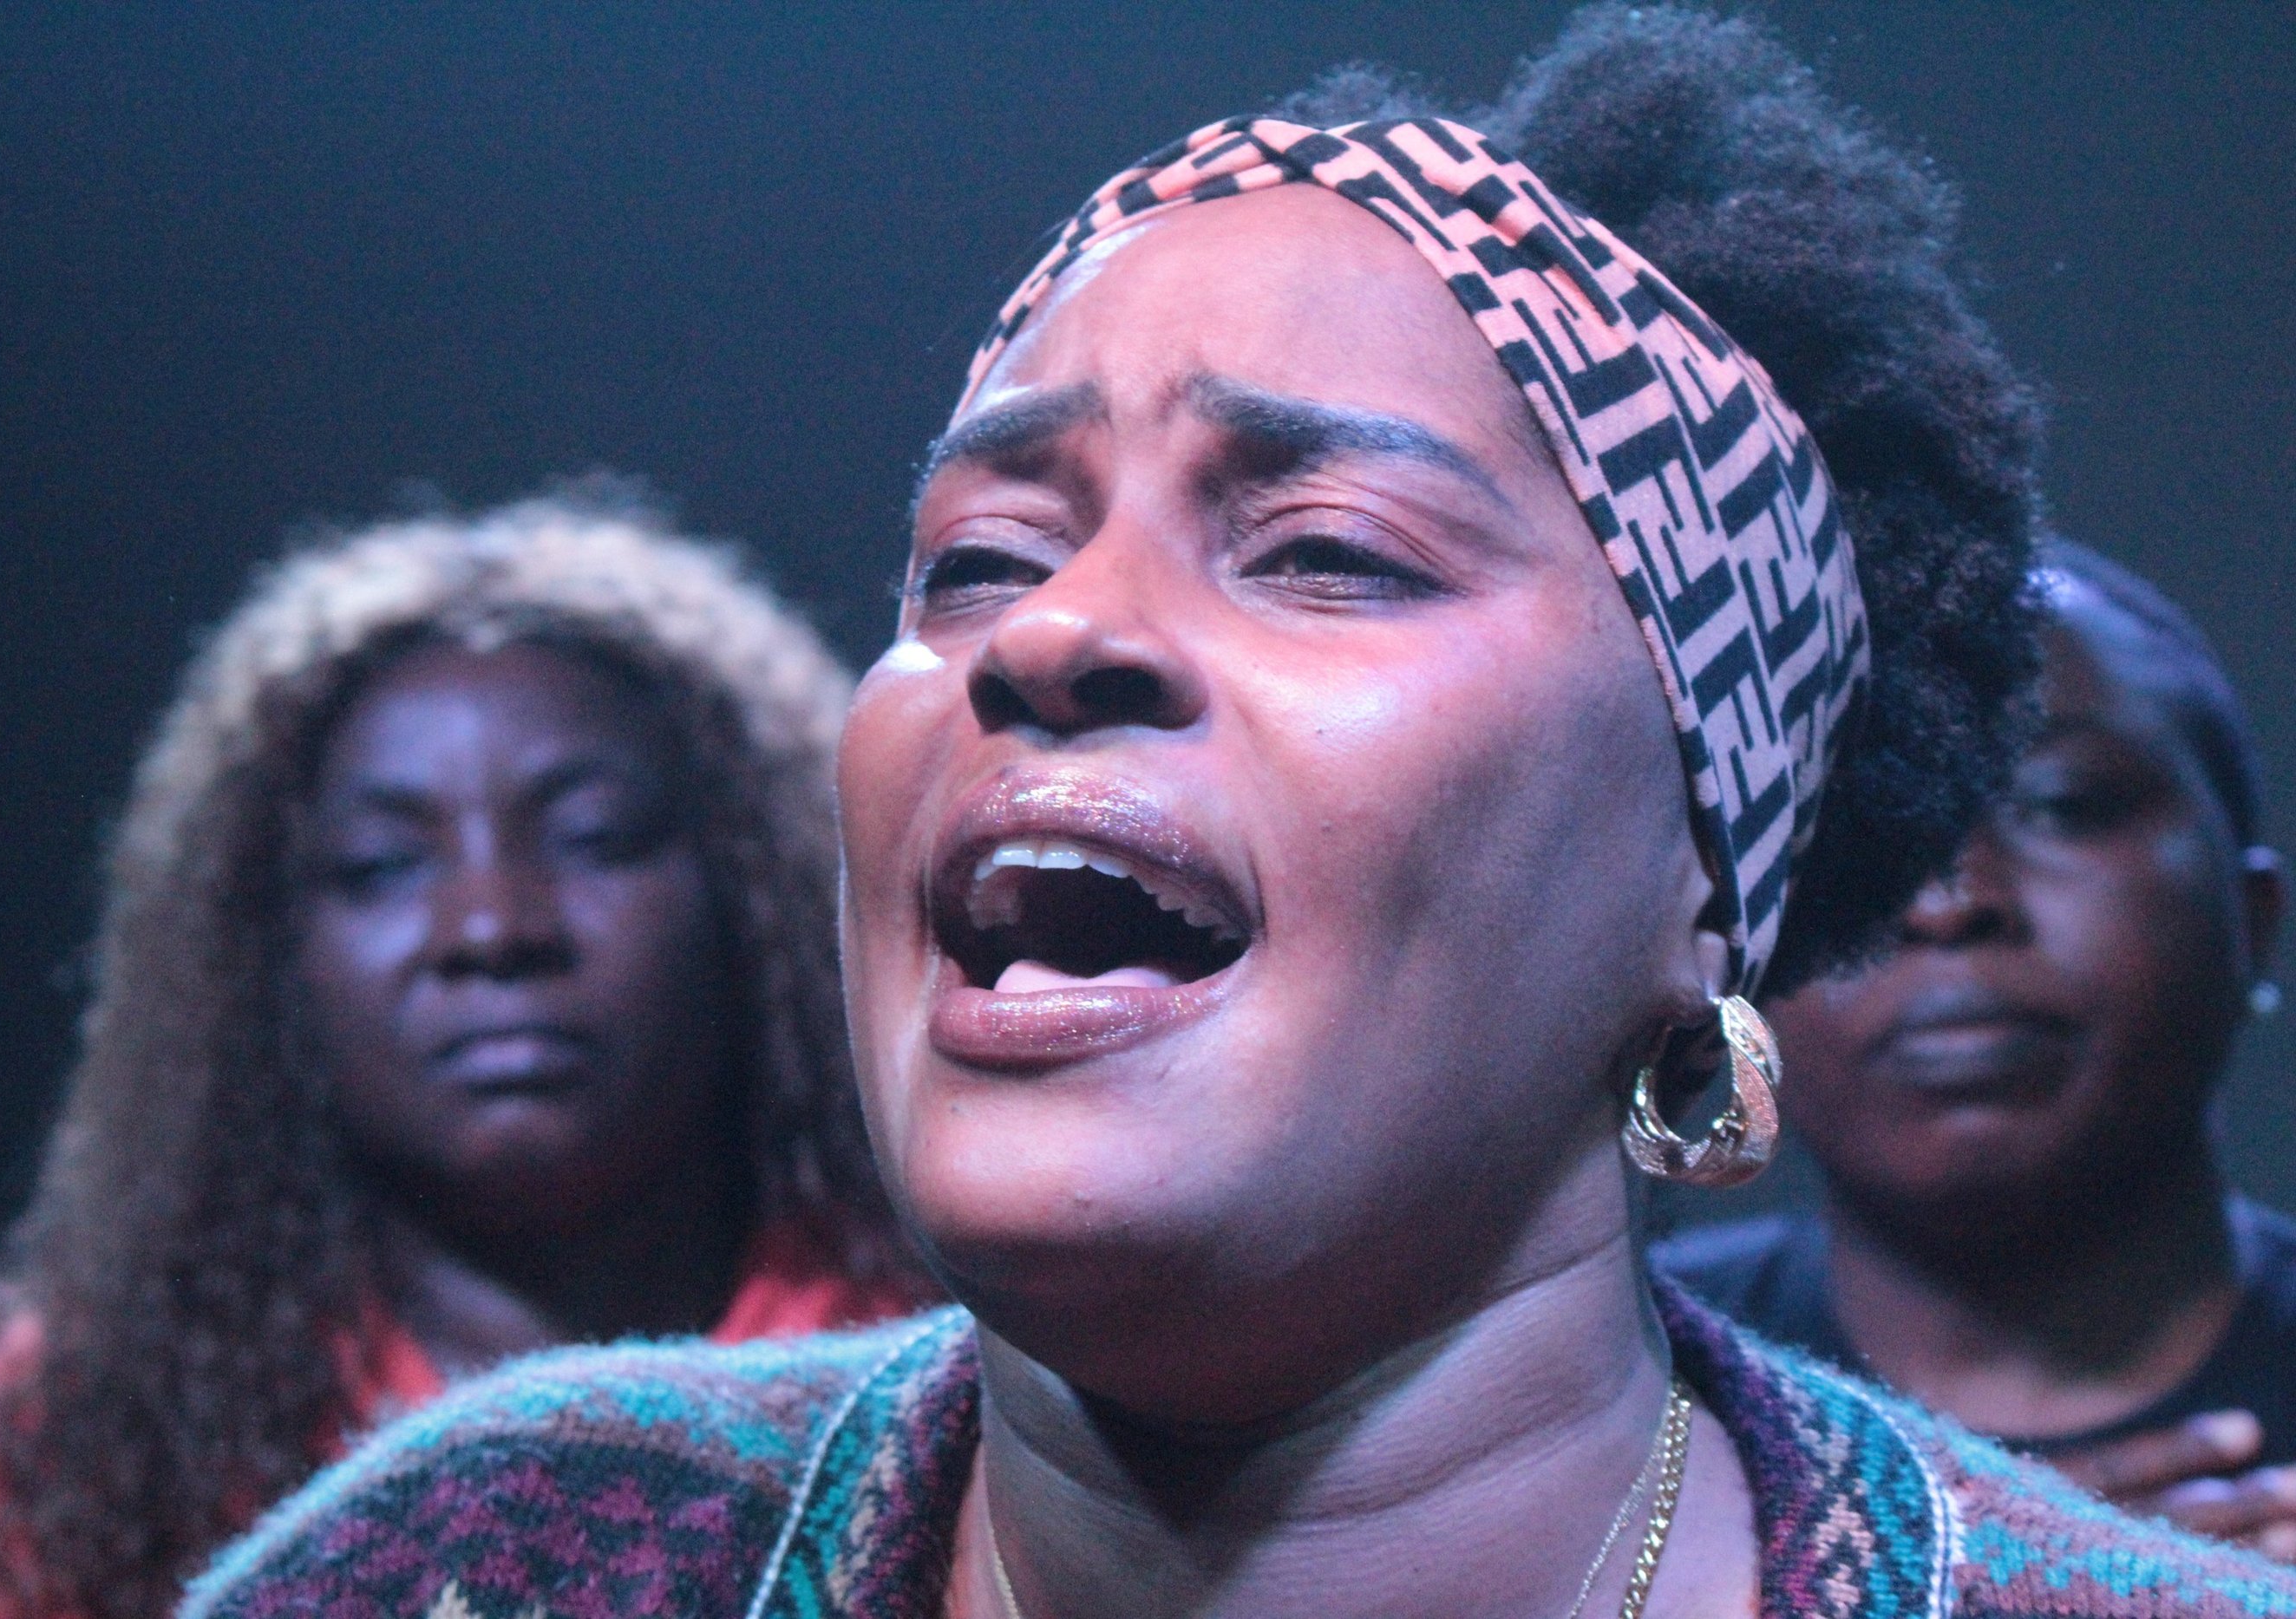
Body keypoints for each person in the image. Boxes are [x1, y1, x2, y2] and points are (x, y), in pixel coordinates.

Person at [181, 10, 2296, 1617]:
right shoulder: (500, 1553)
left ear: (1701, 860)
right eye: (977, 559)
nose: (1052, 632)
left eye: (1325, 550)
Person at [0, 494, 927, 1619]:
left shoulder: (936, 1355)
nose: (493, 926)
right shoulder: (103, 1426)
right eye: (382, 866)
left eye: (595, 837)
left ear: (751, 892)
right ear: (266, 955)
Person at [1659, 540, 2295, 1555]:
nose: (1947, 901)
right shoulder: (1595, 1400)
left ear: (2250, 920)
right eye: (1854, 837)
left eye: (2061, 804)